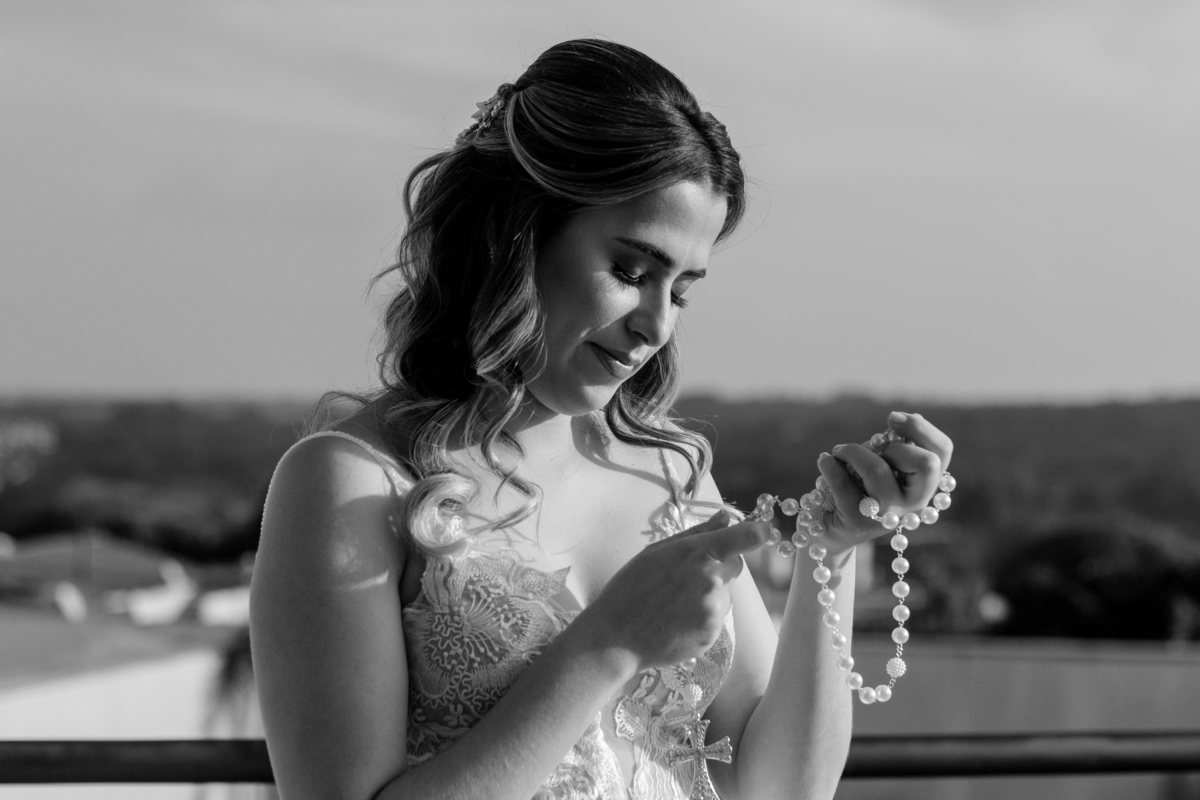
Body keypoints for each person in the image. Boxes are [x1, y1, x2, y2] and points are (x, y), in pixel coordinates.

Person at [249, 38, 954, 800]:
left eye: (681, 290)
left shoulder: (669, 472)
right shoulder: (351, 483)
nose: (656, 325)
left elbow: (779, 788)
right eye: (630, 270)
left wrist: (831, 553)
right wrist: (610, 644)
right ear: (516, 234)